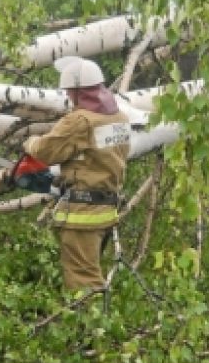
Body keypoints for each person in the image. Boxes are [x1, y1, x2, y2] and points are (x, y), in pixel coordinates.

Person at [21, 56, 131, 291]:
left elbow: (45, 151)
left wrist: (29, 143)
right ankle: (96, 323)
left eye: (71, 93)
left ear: (80, 92)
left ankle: (90, 326)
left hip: (83, 212)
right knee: (92, 271)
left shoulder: (80, 121)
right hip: (106, 208)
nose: (69, 98)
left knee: (83, 282)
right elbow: (98, 159)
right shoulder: (119, 118)